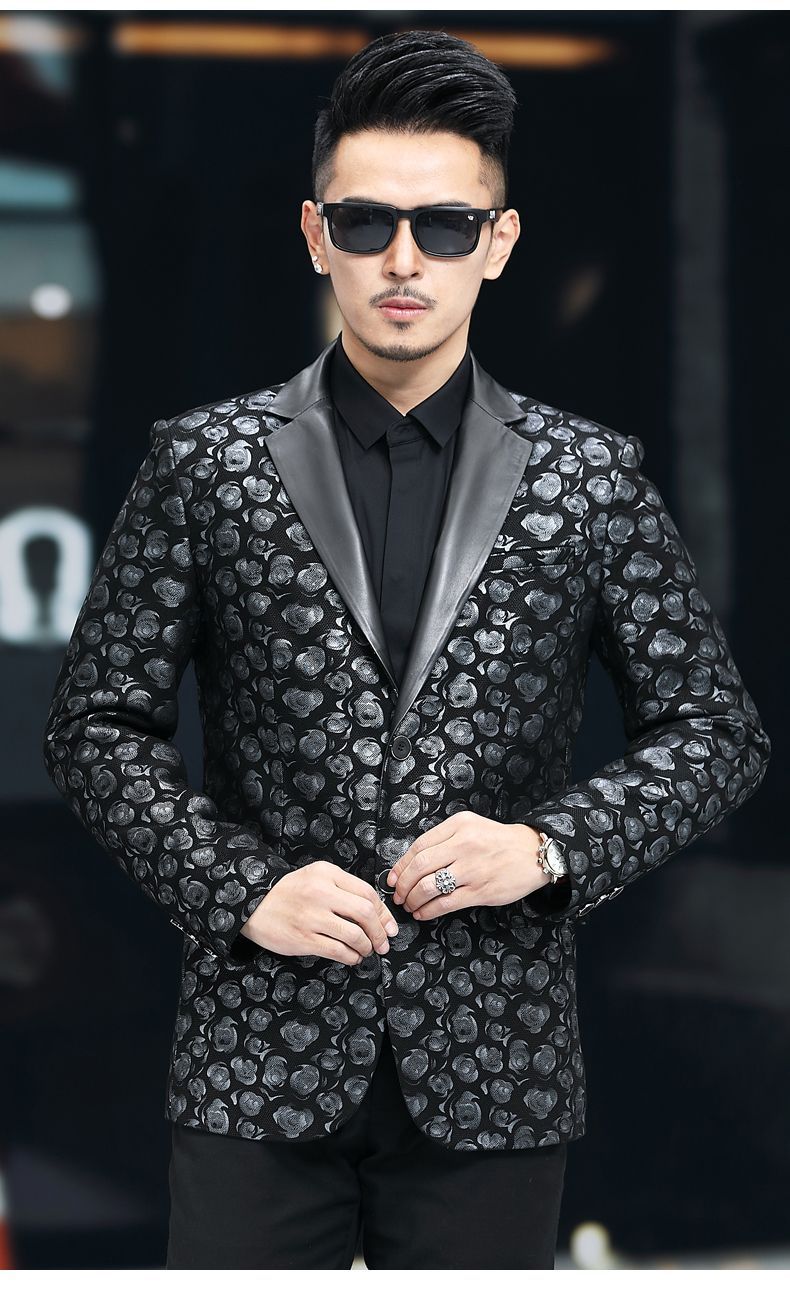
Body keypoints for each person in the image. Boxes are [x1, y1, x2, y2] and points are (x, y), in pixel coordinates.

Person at [42, 28, 771, 1271]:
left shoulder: (586, 478)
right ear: (315, 233)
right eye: (366, 222)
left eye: (442, 226)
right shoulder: (204, 463)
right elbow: (94, 727)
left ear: (498, 242)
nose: (401, 260)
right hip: (256, 1057)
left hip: (494, 1062)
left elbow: (716, 736)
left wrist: (545, 848)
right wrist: (239, 887)